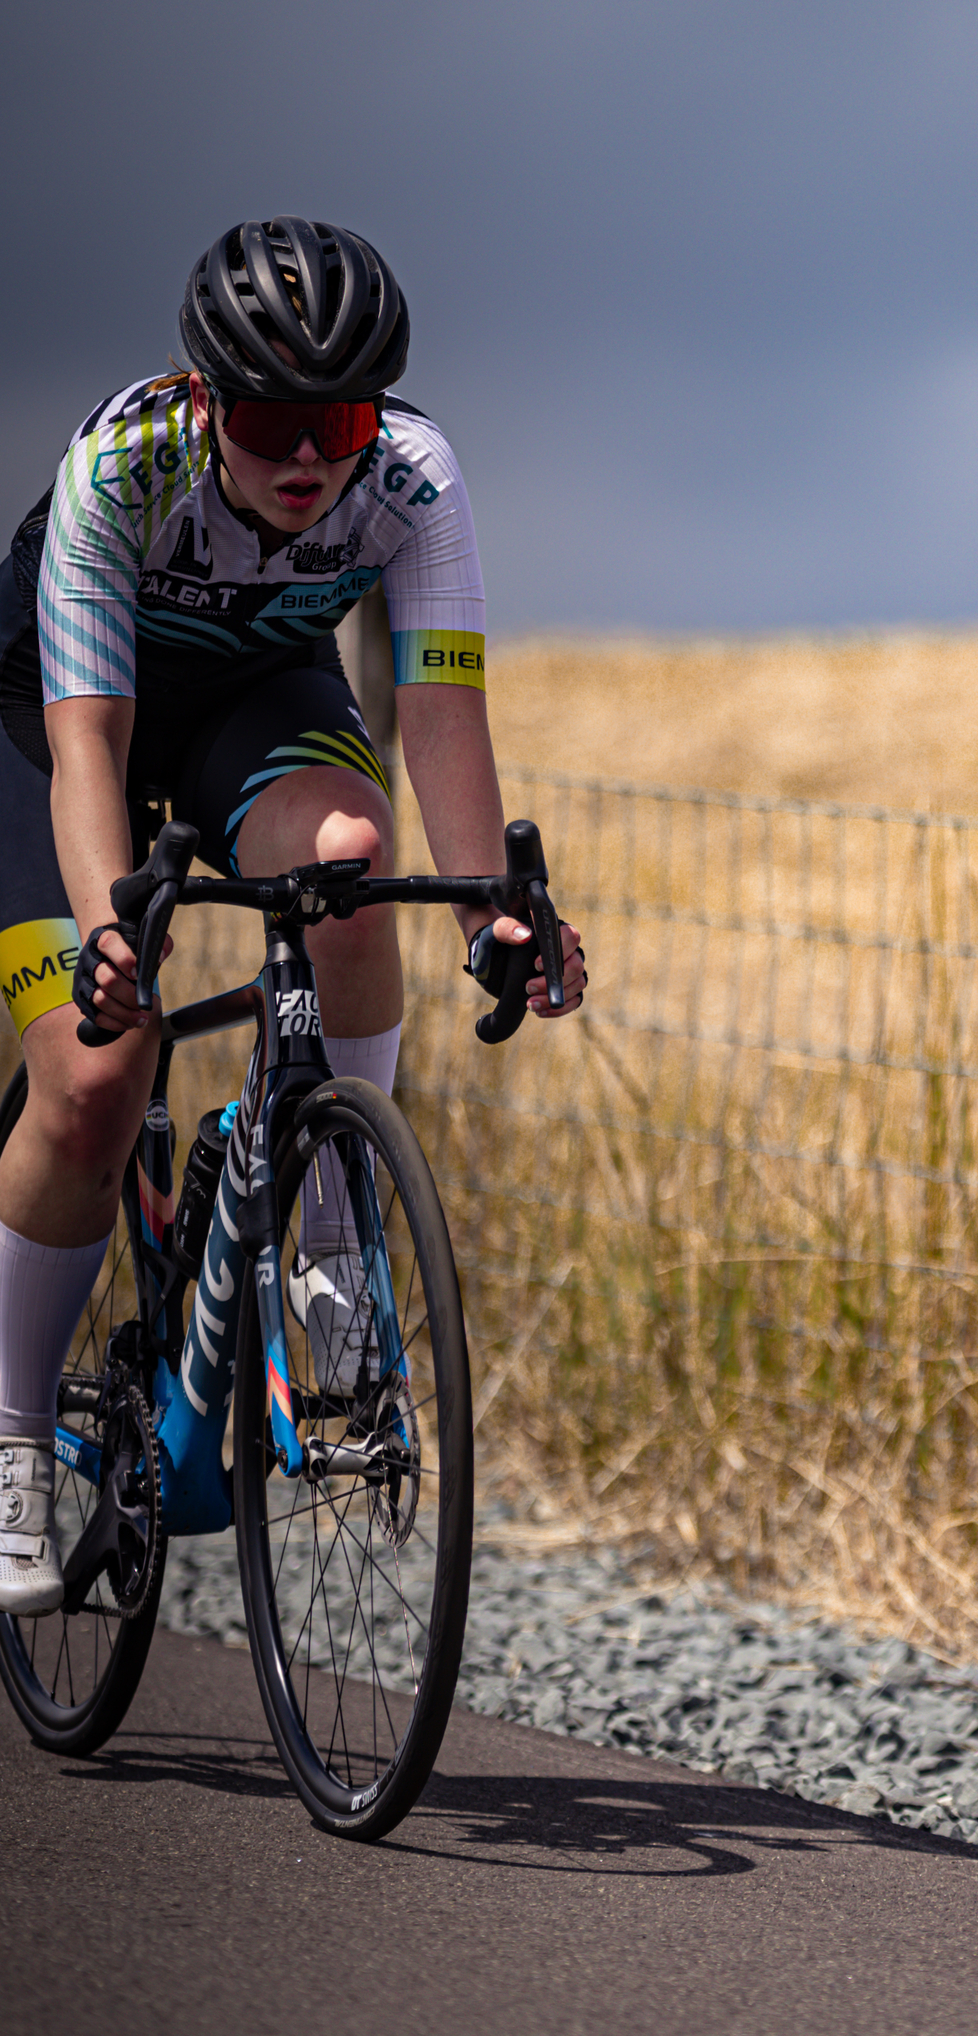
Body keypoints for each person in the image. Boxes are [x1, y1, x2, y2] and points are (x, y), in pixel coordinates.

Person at [0, 216, 585, 1614]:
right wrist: (110, 933)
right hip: (54, 722)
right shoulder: (120, 471)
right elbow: (90, 750)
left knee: (353, 858)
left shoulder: (412, 478)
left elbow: (439, 714)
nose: (309, 458)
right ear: (205, 400)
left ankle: (332, 1231)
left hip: (255, 709)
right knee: (92, 1079)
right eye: (271, 420)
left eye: (336, 417)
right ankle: (12, 1436)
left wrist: (490, 916)